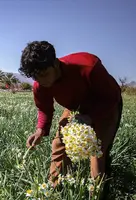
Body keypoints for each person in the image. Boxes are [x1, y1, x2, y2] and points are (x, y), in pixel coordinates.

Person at [19, 41, 123, 198]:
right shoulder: (40, 85)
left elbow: (111, 98)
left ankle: (96, 193)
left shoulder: (88, 66)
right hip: (76, 108)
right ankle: (53, 190)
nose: (41, 81)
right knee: (59, 144)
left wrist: (91, 117)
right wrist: (40, 130)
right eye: (35, 77)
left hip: (105, 106)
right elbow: (44, 109)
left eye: (44, 74)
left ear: (55, 63)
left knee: (97, 153)